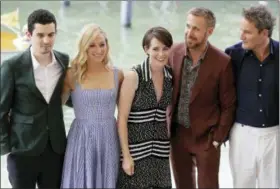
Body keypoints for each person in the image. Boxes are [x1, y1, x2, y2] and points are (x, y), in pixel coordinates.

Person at [167, 7, 236, 188]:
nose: (190, 33)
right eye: (188, 26)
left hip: (206, 139)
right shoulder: (173, 52)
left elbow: (228, 105)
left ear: (210, 31)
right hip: (178, 136)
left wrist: (217, 139)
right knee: (183, 185)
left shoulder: (222, 62)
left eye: (196, 29)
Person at [0, 9, 69, 188]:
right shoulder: (12, 66)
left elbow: (70, 96)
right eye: (40, 35)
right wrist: (7, 147)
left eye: (51, 34)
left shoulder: (64, 61)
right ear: (28, 34)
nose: (46, 40)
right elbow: (1, 110)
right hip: (22, 151)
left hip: (55, 150)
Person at [60, 23, 124, 188]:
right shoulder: (71, 74)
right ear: (84, 47)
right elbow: (54, 108)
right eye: (92, 45)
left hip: (108, 139)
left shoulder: (118, 75)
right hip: (81, 139)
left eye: (102, 44)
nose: (99, 50)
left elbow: (124, 116)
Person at [225, 5, 279, 188]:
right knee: (242, 185)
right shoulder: (232, 55)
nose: (241, 36)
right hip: (242, 134)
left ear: (264, 33)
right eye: (241, 31)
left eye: (247, 32)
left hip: (275, 134)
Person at [117, 26, 173, 188]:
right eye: (155, 49)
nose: (161, 54)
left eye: (165, 48)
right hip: (136, 152)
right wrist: (126, 156)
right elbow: (122, 119)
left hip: (160, 153)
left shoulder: (170, 77)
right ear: (146, 49)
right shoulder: (134, 76)